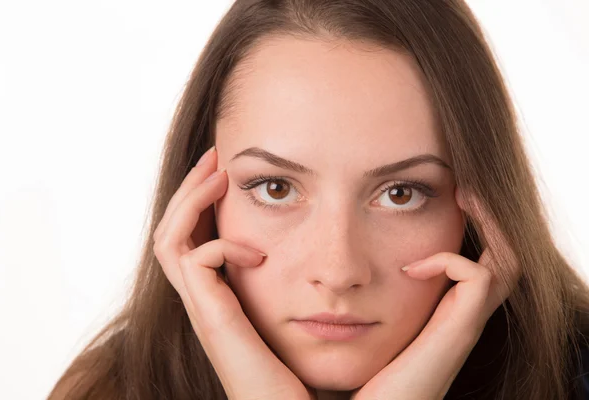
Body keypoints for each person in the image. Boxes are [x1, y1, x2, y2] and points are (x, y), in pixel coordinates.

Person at [47, 0, 589, 399]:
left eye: (401, 194)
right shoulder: (109, 389)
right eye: (276, 188)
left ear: (484, 209)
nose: (337, 271)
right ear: (199, 202)